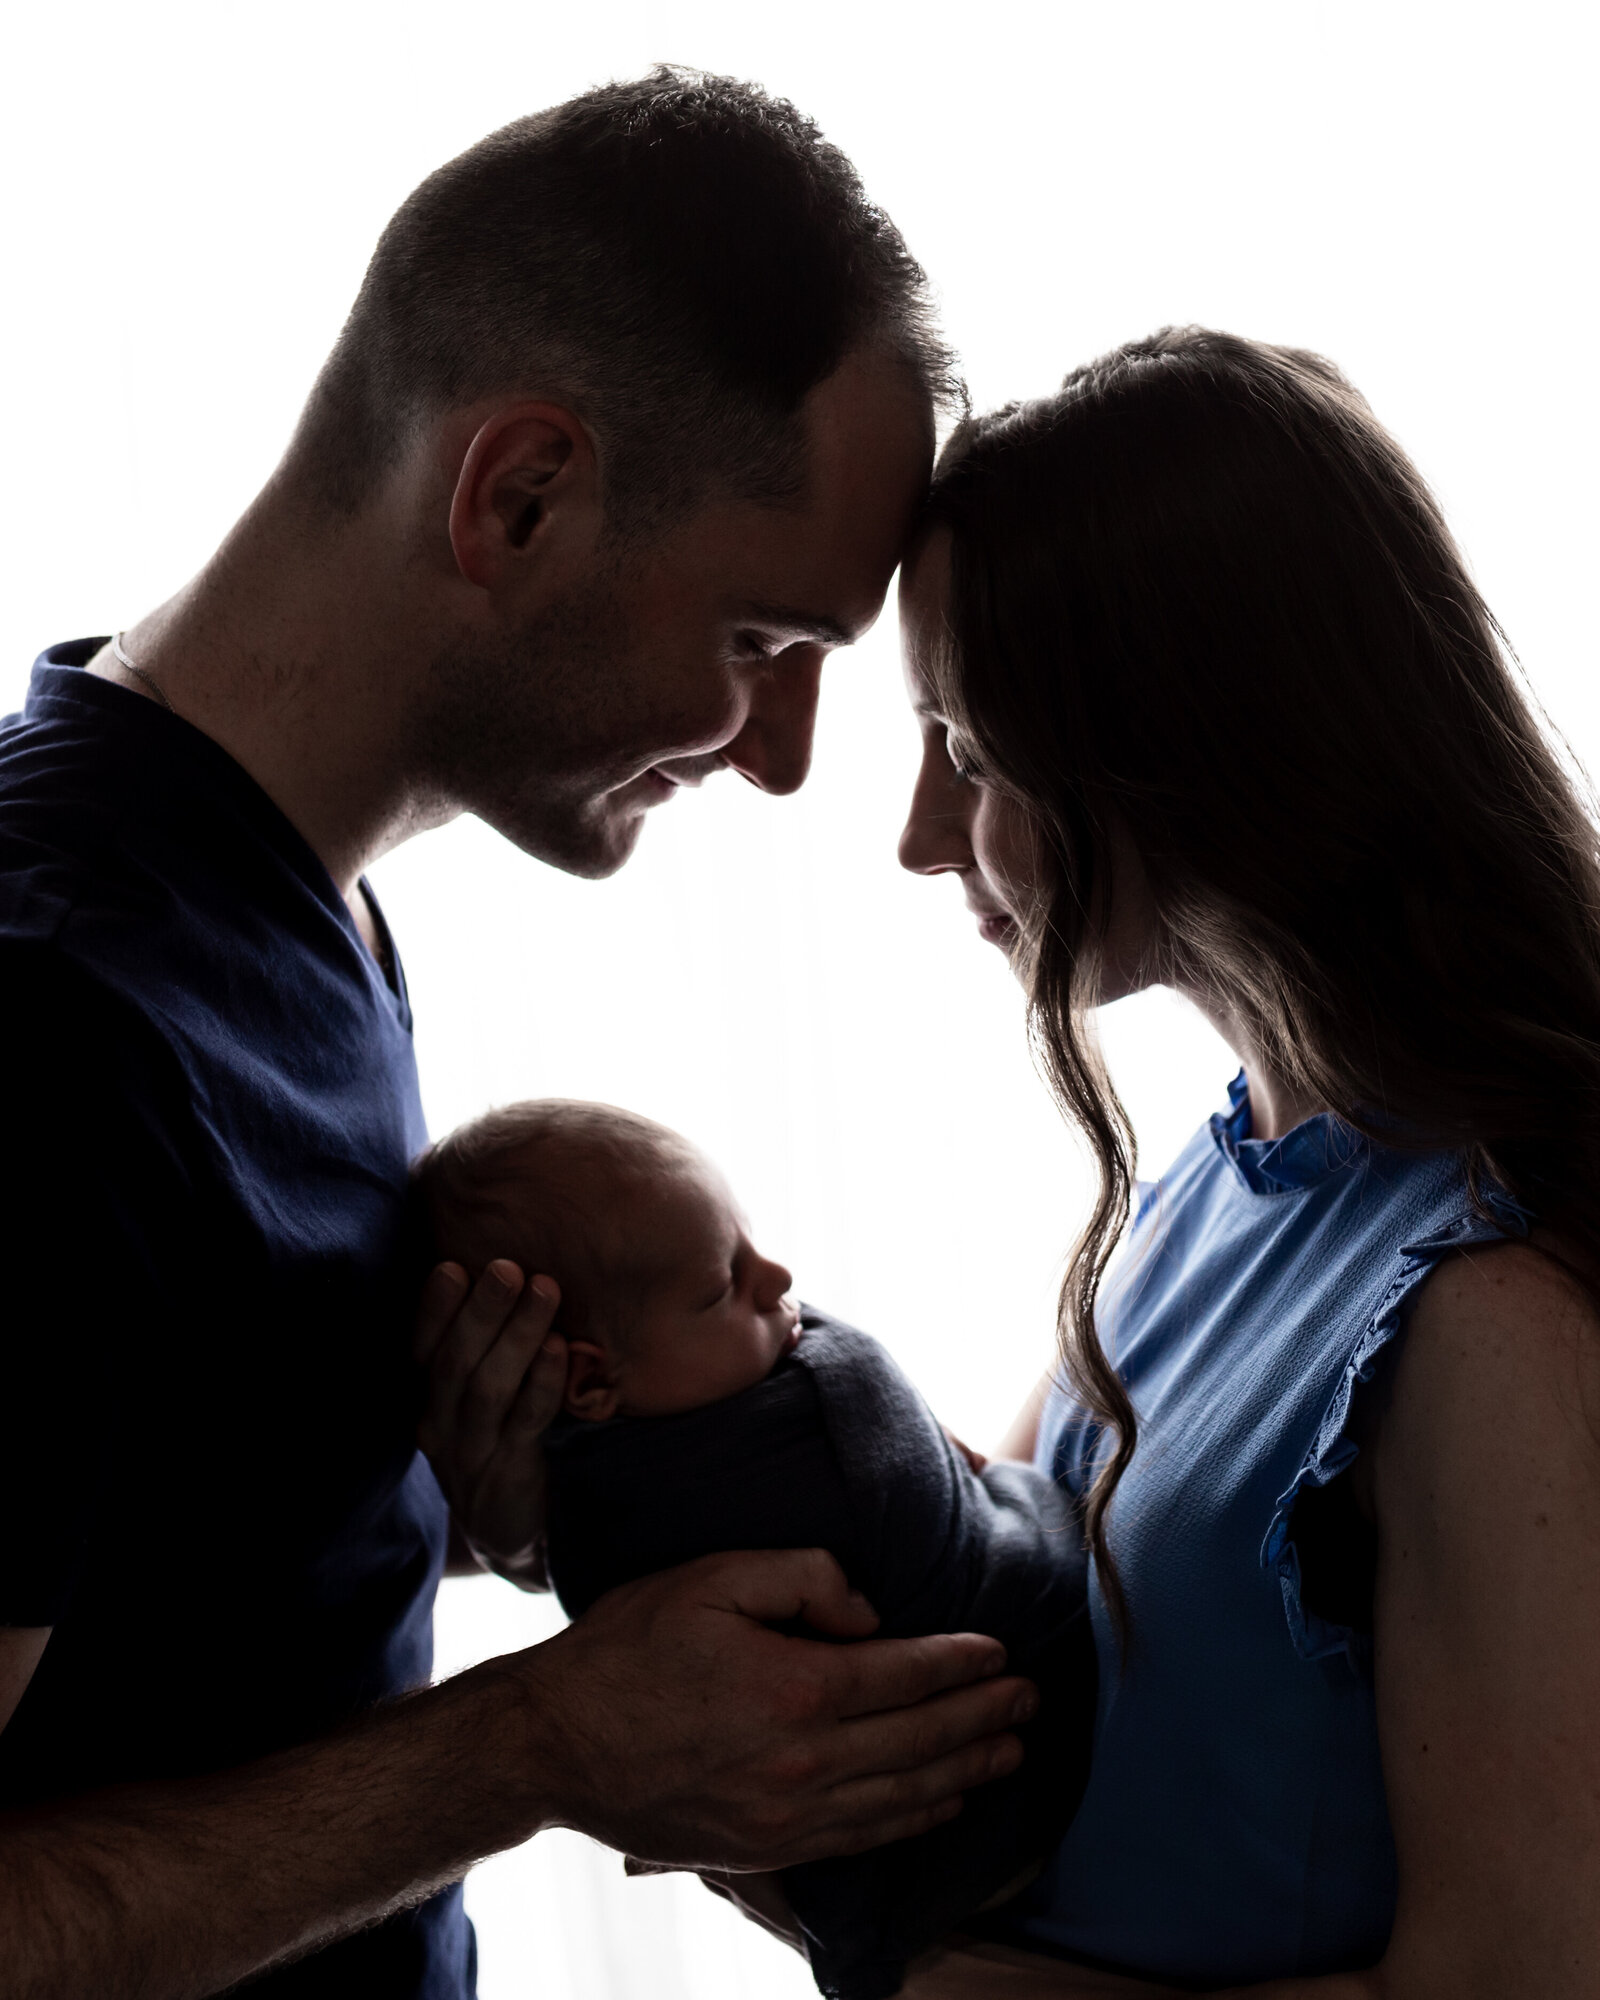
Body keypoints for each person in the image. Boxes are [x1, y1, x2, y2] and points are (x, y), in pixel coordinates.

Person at [0, 71, 1038, 2000]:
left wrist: (456, 1514)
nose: (785, 758)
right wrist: (535, 1746)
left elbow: (145, 1582)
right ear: (521, 494)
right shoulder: (50, 1019)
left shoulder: (286, 902)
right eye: (760, 644)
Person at [883, 326, 1600, 1998]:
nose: (919, 835)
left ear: (1184, 751)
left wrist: (939, 1984)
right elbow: (960, 1588)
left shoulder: (1485, 1304)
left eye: (966, 750)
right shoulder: (1223, 1184)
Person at [416, 1097, 1097, 2000]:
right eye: (721, 1283)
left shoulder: (649, 1425)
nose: (778, 1278)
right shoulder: (725, 1484)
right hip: (1006, 1747)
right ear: (588, 1378)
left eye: (752, 1242)